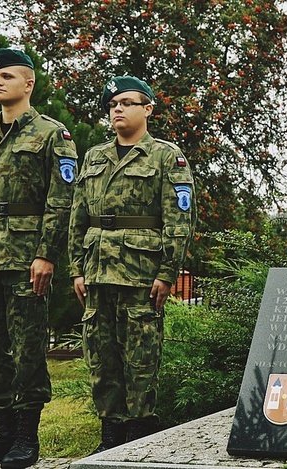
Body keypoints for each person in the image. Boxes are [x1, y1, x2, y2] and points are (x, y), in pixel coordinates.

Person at [0, 48, 78, 469]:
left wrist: (47, 254)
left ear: (29, 83)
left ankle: (26, 437)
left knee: (27, 350)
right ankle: (1, 434)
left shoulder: (51, 134)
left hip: (26, 257)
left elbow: (61, 202)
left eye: (6, 75)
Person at [68, 76, 195, 454]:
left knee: (140, 359)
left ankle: (139, 439)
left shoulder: (166, 156)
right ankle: (109, 438)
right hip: (97, 270)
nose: (117, 109)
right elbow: (78, 216)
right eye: (112, 104)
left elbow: (179, 220)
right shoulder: (94, 157)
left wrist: (167, 273)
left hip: (141, 273)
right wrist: (77, 268)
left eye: (126, 102)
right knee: (101, 358)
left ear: (148, 109)